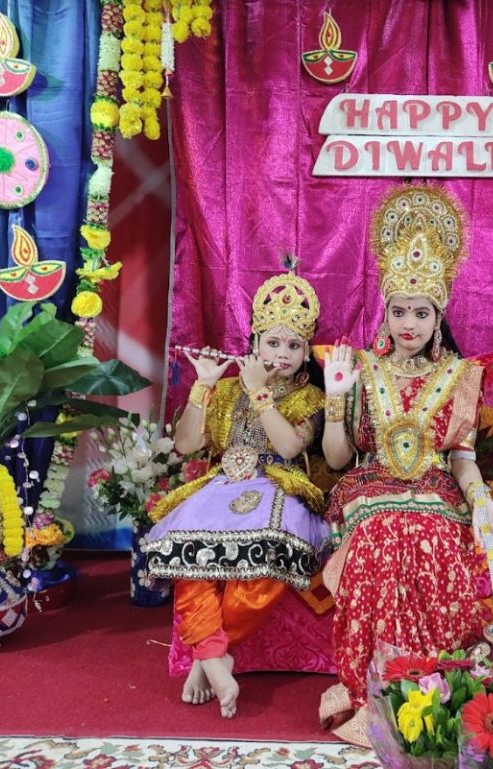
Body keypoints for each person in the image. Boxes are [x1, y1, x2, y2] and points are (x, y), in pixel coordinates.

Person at [318, 185, 493, 745]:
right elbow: (336, 458)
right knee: (383, 536)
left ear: (438, 313)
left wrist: (481, 498)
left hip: (437, 491)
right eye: (399, 311)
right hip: (369, 487)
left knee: (428, 541)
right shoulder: (362, 368)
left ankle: (433, 691)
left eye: (420, 312)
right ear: (387, 310)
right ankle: (379, 692)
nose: (408, 323)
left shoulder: (462, 375)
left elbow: (464, 462)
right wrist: (334, 398)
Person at [144, 270, 330, 718]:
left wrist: (260, 393)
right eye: (272, 342)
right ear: (254, 343)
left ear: (306, 353)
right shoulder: (227, 389)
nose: (281, 354)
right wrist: (204, 385)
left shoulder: (311, 399)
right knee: (188, 553)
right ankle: (214, 657)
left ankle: (206, 657)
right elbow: (187, 444)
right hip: (221, 487)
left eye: (293, 346)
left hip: (279, 487)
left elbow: (287, 447)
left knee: (267, 555)